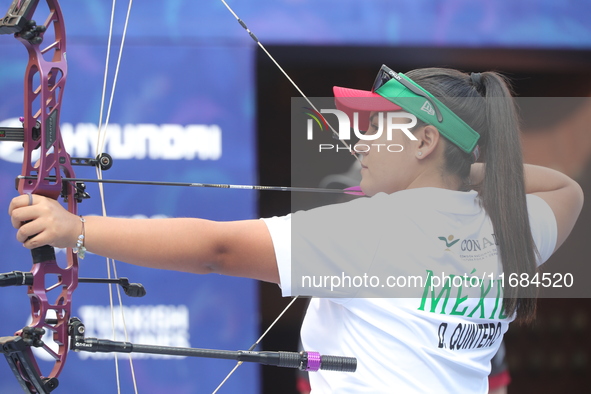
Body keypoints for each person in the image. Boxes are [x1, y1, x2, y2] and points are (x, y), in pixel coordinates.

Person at [8, 66, 583, 393]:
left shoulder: (379, 229)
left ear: (426, 141)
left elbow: (216, 249)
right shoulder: (513, 225)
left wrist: (75, 229)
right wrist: (460, 174)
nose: (358, 141)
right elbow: (568, 190)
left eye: (378, 126)